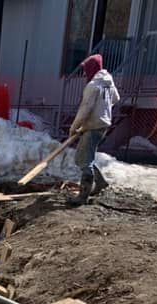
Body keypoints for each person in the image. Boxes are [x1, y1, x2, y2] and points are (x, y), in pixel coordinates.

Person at [67, 54, 120, 206]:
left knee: (84, 160)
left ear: (92, 69)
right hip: (103, 125)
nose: (84, 74)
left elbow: (85, 109)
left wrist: (74, 127)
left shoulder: (92, 86)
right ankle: (101, 182)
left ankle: (83, 195)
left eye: (86, 70)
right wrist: (103, 110)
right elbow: (116, 98)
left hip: (94, 126)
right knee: (83, 157)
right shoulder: (108, 82)